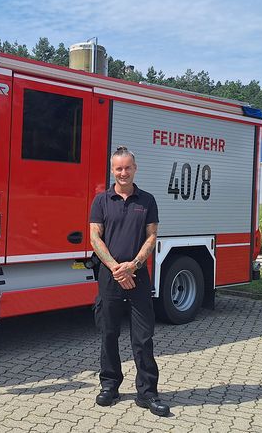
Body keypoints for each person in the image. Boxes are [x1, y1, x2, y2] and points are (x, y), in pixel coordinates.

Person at [89, 146, 170, 417]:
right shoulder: (101, 201)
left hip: (138, 276)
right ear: (112, 170)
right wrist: (114, 268)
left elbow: (152, 236)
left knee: (143, 337)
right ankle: (109, 386)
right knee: (108, 333)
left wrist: (133, 266)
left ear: (135, 169)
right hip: (110, 277)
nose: (123, 173)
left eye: (127, 167)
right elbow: (94, 237)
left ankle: (147, 394)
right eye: (118, 168)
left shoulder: (147, 201)